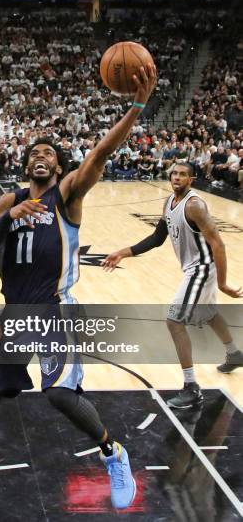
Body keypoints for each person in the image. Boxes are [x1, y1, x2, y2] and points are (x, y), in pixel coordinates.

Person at [0, 64, 157, 511]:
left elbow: (99, 156)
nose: (40, 156)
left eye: (48, 152)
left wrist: (137, 107)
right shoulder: (9, 201)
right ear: (26, 164)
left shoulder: (66, 194)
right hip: (14, 312)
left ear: (59, 165)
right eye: (34, 153)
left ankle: (113, 451)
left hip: (55, 308)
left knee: (62, 394)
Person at [102, 162, 243, 408]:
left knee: (174, 320)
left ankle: (191, 387)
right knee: (209, 314)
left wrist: (222, 283)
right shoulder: (169, 202)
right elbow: (158, 238)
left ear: (192, 179)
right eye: (174, 173)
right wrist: (123, 253)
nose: (177, 177)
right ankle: (234, 354)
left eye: (183, 174)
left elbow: (218, 244)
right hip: (193, 268)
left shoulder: (195, 205)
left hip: (201, 269)